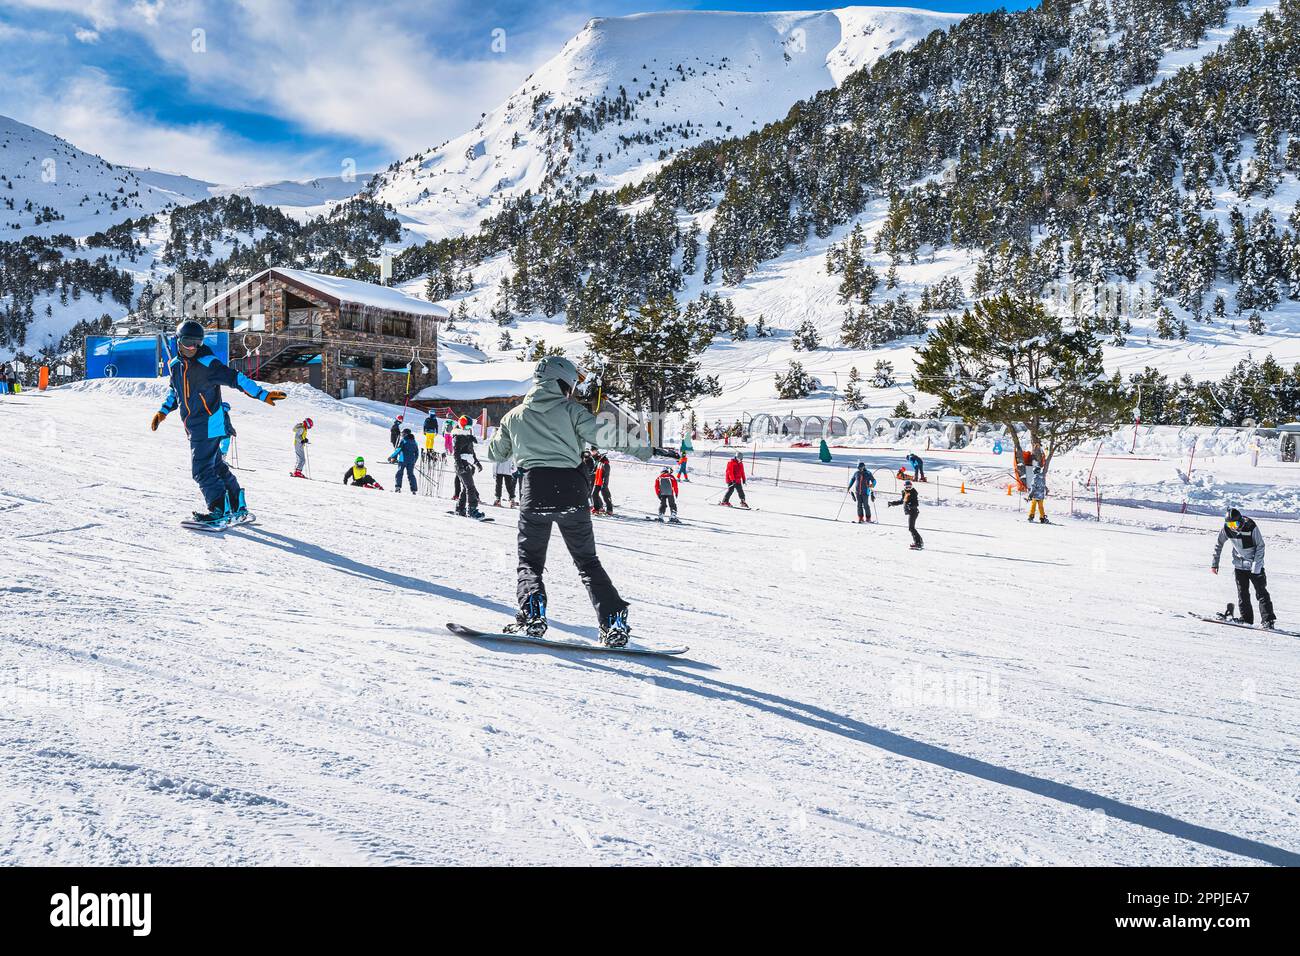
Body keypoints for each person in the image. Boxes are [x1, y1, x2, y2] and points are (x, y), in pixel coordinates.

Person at [486, 355, 651, 647]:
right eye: (571, 385)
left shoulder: (514, 416)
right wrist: (643, 448)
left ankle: (532, 612)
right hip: (572, 491)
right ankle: (613, 621)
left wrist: (516, 440)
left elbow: (496, 454)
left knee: (530, 561)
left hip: (534, 493)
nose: (571, 391)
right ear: (562, 382)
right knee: (587, 562)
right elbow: (606, 435)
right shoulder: (571, 411)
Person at [151, 319, 284, 526]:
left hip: (208, 423)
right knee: (217, 466)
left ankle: (219, 510)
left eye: (197, 343)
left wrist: (262, 394)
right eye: (188, 342)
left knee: (202, 470)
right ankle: (237, 505)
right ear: (178, 341)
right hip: (195, 425)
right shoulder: (175, 365)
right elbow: (174, 392)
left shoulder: (208, 364)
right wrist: (163, 412)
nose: (193, 347)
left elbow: (236, 379)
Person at [1212, 508, 1276, 628]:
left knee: (1261, 593)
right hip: (1239, 566)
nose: (1232, 527)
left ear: (1240, 521)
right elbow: (1218, 544)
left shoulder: (1251, 526)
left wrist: (1256, 566)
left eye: (1234, 524)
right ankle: (1246, 619)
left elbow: (1260, 546)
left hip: (1254, 566)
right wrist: (1215, 563)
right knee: (1243, 594)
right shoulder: (1227, 529)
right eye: (1229, 524)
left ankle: (1268, 621)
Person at [452, 415, 484, 517]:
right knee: (470, 487)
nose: (468, 429)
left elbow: (471, 452)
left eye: (469, 427)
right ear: (461, 425)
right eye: (466, 427)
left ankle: (460, 508)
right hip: (462, 465)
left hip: (467, 465)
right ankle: (472, 510)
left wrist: (477, 463)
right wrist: (460, 466)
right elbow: (456, 453)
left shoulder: (466, 436)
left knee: (466, 488)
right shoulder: (458, 437)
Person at [887, 479, 923, 550]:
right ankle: (919, 541)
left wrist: (910, 505)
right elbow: (902, 501)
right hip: (911, 512)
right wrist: (892, 503)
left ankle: (918, 543)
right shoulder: (905, 493)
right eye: (907, 487)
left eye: (910, 487)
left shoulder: (913, 493)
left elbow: (916, 503)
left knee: (911, 528)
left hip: (913, 512)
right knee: (911, 528)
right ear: (905, 487)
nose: (908, 488)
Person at [388, 427, 421, 494]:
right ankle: (414, 490)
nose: (402, 435)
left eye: (403, 433)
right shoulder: (414, 442)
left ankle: (398, 487)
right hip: (411, 461)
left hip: (403, 460)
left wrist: (391, 457)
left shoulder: (403, 440)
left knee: (399, 473)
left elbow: (398, 450)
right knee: (411, 475)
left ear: (406, 434)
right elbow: (417, 453)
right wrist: (414, 461)